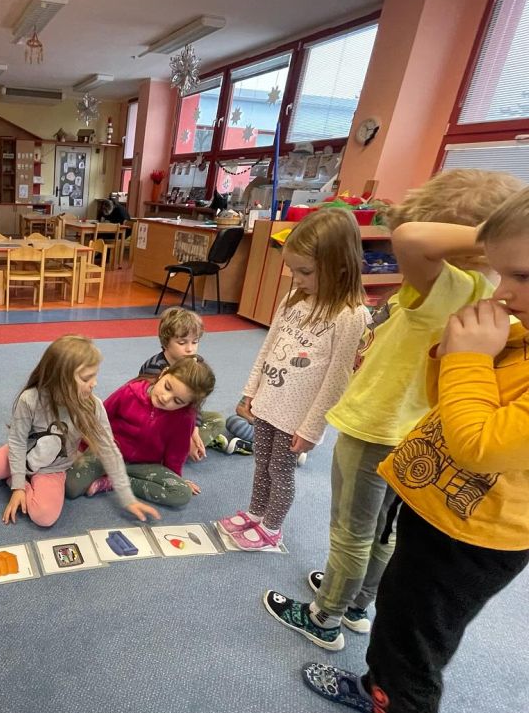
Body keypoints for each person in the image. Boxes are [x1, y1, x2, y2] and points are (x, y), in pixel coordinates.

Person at [261, 169, 525, 651]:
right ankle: (357, 602)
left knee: (350, 530)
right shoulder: (485, 298)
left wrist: (495, 236)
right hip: (407, 431)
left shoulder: (451, 287)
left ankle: (326, 616)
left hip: (374, 428)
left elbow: (411, 238)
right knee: (382, 530)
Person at [304, 186, 529, 713]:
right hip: (438, 509)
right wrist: (453, 357)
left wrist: (468, 358)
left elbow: (479, 443)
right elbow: (446, 407)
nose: (504, 292)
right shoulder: (521, 334)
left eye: (522, 275)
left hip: (471, 539)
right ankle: (374, 686)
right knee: (394, 622)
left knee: (411, 657)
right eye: (504, 273)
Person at [217, 207, 369, 551]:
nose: (296, 279)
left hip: (297, 416)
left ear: (339, 266)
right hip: (269, 401)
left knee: (280, 471)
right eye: (293, 270)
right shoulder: (293, 300)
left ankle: (272, 528)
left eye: (305, 271)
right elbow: (268, 348)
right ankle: (255, 513)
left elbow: (337, 379)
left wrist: (312, 428)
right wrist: (250, 391)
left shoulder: (351, 315)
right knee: (261, 464)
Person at [0, 335, 161, 526]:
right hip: (20, 454)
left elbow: (109, 450)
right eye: (86, 378)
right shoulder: (30, 399)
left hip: (53, 468)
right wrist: (18, 487)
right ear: (60, 379)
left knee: (44, 517)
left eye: (94, 376)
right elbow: (17, 442)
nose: (95, 384)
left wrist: (127, 498)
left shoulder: (93, 406)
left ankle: (11, 477)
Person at [65, 357, 216, 507]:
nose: (165, 398)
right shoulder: (130, 391)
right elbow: (99, 419)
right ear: (163, 373)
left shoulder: (185, 418)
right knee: (71, 486)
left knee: (181, 493)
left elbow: (176, 454)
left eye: (177, 401)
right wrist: (83, 448)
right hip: (108, 455)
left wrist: (174, 477)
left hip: (145, 466)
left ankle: (113, 482)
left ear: (188, 404)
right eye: (167, 387)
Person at [139, 306, 226, 460]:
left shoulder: (195, 363)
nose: (190, 349)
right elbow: (151, 410)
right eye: (182, 342)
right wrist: (185, 434)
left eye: (195, 342)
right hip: (157, 420)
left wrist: (194, 429)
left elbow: (195, 402)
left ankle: (190, 446)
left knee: (217, 419)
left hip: (182, 416)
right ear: (166, 342)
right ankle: (178, 450)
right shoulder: (155, 367)